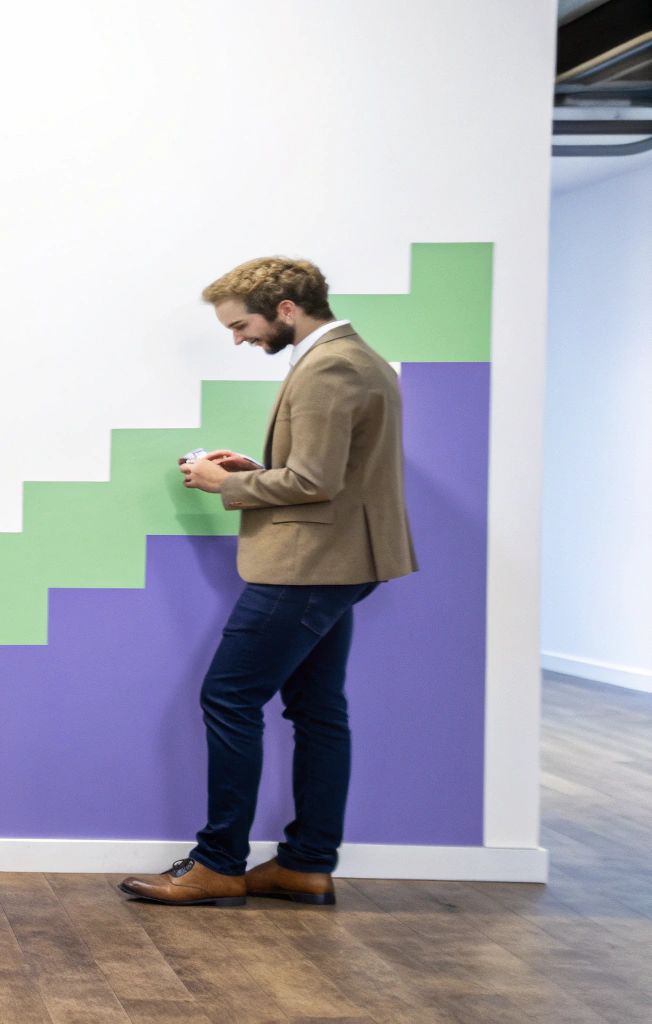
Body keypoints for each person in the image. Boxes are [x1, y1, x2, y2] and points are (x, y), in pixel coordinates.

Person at [119, 257, 417, 907]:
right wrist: (259, 469)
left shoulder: (329, 365)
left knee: (228, 698)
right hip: (341, 562)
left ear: (285, 308)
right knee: (316, 710)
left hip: (311, 564)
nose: (239, 338)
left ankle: (218, 861)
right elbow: (328, 470)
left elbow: (315, 483)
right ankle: (305, 863)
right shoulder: (354, 357)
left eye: (242, 324)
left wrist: (227, 483)